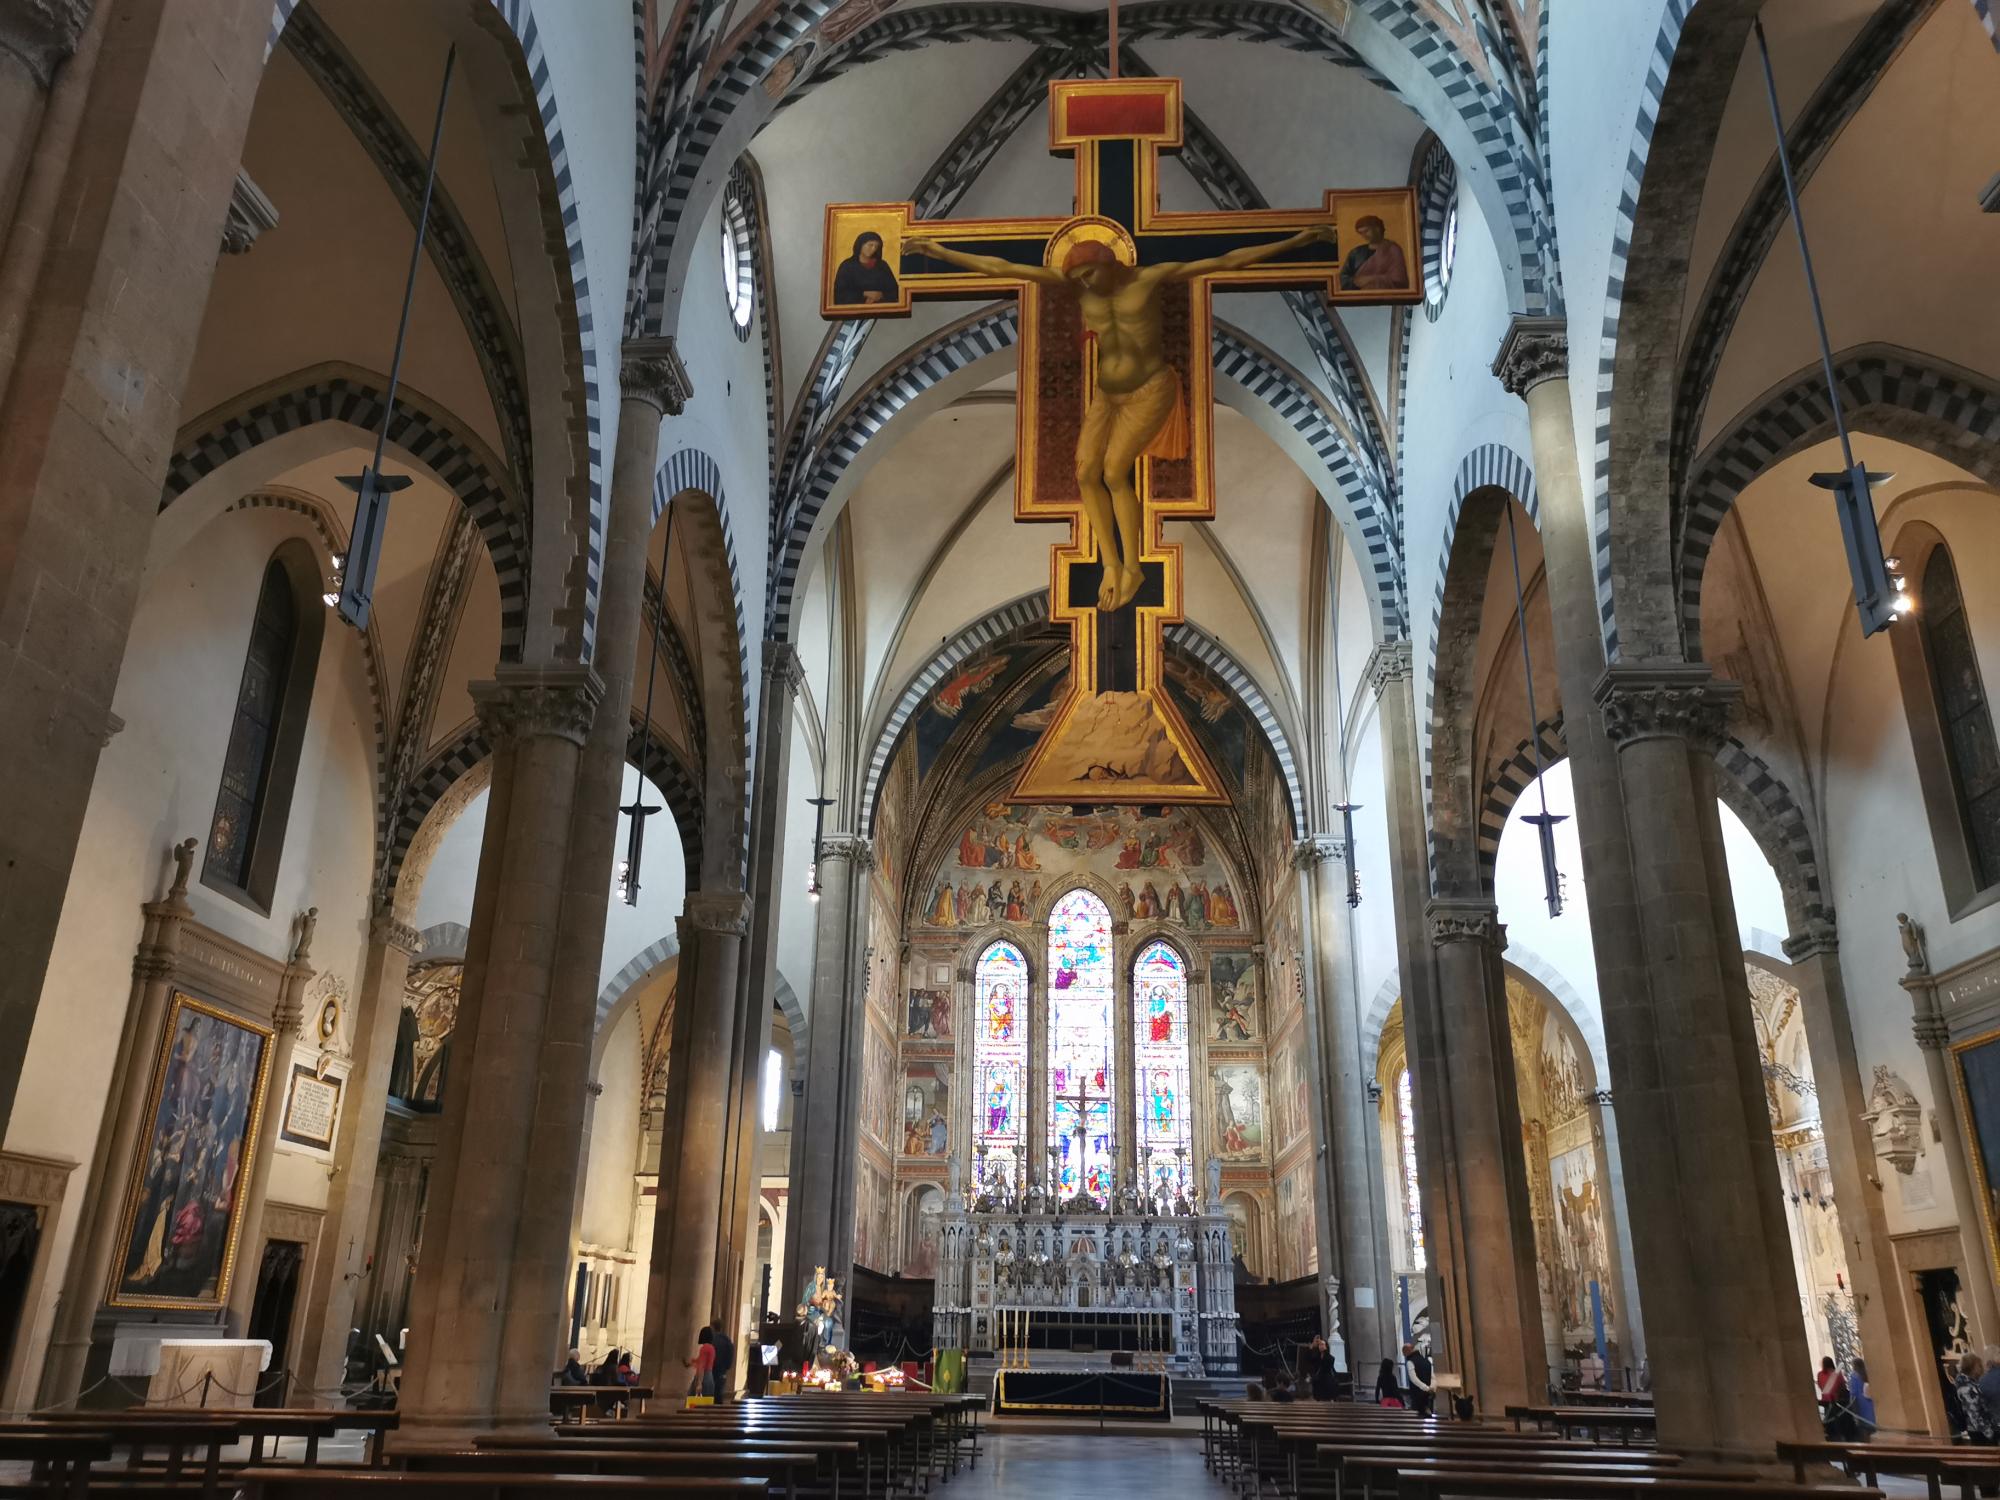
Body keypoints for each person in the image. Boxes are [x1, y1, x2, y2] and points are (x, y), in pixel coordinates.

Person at [906, 223, 1337, 611]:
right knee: (1085, 472)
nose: (1084, 284)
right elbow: (1000, 268)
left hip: (1150, 390)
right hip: (1105, 394)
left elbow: (1225, 261)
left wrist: (1298, 241)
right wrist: (938, 252)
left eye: (1089, 274)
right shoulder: (1079, 290)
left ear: (1109, 262)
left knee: (1114, 472)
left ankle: (1134, 567)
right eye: (1078, 279)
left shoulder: (1148, 280)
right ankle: (1111, 564)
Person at [1339, 216, 1408, 291]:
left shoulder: (1392, 250)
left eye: (1366, 231)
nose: (1364, 235)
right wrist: (1355, 282)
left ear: (1377, 229)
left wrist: (1370, 279)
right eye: (1361, 233)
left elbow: (1399, 280)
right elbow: (1344, 278)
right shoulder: (1356, 252)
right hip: (1358, 297)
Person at [833, 231, 900, 306]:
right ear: (860, 245)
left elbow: (894, 291)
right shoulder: (847, 266)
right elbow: (840, 294)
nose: (873, 249)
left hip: (879, 308)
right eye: (870, 245)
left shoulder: (882, 266)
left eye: (876, 246)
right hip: (854, 311)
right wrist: (865, 294)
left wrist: (881, 295)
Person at [1956, 1352, 1996, 1445]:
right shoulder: (1967, 1388)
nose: (1982, 1368)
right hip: (1980, 1432)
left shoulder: (1971, 1384)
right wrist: (1989, 1433)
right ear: (1973, 1367)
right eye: (1979, 1365)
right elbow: (1974, 1414)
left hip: (1983, 1429)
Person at [1816, 1355, 1856, 1440]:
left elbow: (1820, 1386)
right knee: (1840, 1422)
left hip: (1826, 1400)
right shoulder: (1837, 1373)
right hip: (1837, 1401)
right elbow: (1842, 1385)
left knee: (1830, 1423)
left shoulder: (1820, 1374)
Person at [1403, 1340, 1434, 1416]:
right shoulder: (1426, 1361)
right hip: (1428, 1394)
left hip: (1417, 1394)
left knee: (1419, 1417)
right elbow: (1432, 1376)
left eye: (1404, 1354)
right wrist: (1431, 1387)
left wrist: (1425, 1387)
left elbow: (1414, 1379)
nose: (1405, 1356)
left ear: (1407, 1351)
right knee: (1429, 1414)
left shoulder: (1410, 1362)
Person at [1849, 1356, 1876, 1438]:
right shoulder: (1868, 1374)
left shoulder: (1854, 1377)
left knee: (1866, 1434)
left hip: (1861, 1410)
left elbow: (1853, 1395)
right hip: (1872, 1409)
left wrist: (1853, 1411)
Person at [709, 1322, 736, 1403]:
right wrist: (726, 1367)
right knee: (718, 1395)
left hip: (711, 1370)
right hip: (722, 1371)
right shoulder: (727, 1341)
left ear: (713, 1328)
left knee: (709, 1395)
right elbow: (730, 1356)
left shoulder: (711, 1340)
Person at [686, 1327, 716, 1399]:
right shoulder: (712, 1348)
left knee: (692, 1400)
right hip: (710, 1376)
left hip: (703, 1377)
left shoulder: (704, 1348)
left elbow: (701, 1366)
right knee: (706, 1403)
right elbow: (703, 1362)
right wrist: (691, 1363)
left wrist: (699, 1383)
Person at [1308, 1337, 1338, 1402]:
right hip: (1318, 1378)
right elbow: (1311, 1360)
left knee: (1328, 1382)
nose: (1320, 1346)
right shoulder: (1317, 1356)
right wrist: (1311, 1349)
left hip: (1327, 1377)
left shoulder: (1330, 1357)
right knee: (1316, 1382)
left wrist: (1324, 1353)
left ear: (1326, 1346)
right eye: (1320, 1345)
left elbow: (1325, 1366)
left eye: (1322, 1344)